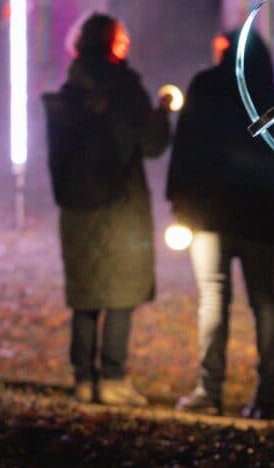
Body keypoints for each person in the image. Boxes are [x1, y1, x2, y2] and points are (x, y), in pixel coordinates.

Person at [166, 30, 274, 419]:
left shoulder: (205, 86)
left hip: (210, 213)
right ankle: (266, 393)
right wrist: (255, 174)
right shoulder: (267, 94)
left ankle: (210, 389)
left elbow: (185, 149)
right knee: (263, 302)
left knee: (214, 298)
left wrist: (180, 202)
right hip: (257, 213)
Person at [56, 13, 172, 406]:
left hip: (78, 207)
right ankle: (113, 377)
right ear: (113, 43)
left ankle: (82, 379)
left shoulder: (69, 90)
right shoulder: (126, 89)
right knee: (121, 291)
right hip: (122, 205)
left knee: (86, 293)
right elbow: (152, 146)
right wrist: (163, 111)